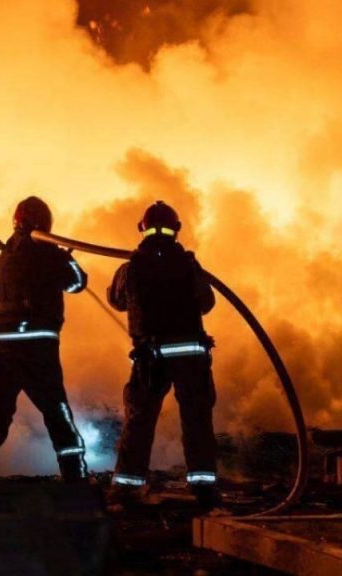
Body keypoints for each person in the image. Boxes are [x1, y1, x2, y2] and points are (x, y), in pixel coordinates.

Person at [0, 196, 90, 483]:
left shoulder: (6, 253)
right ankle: (75, 475)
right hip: (35, 347)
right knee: (56, 409)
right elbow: (77, 282)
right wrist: (65, 256)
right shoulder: (47, 252)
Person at [107, 200, 219, 509]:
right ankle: (204, 488)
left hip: (151, 358)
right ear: (177, 228)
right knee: (197, 421)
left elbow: (116, 300)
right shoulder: (189, 265)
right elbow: (207, 303)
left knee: (139, 422)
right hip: (190, 357)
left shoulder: (131, 268)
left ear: (141, 228)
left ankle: (127, 489)